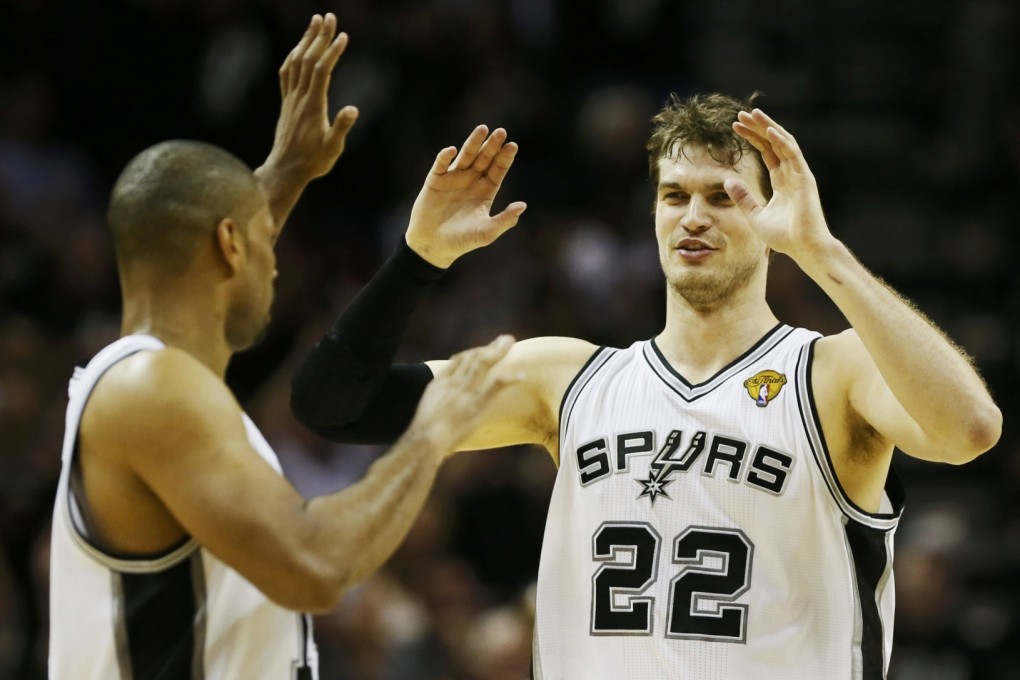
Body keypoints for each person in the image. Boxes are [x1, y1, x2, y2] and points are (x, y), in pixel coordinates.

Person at [290, 92, 1003, 679]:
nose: (692, 215)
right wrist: (416, 260)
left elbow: (968, 428)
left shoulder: (830, 373)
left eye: (723, 198)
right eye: (673, 195)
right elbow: (332, 405)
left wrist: (823, 253)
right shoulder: (563, 379)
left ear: (771, 214)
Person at [48, 14, 517, 680]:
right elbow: (316, 568)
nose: (278, 272)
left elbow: (204, 257)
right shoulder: (148, 392)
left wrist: (288, 169)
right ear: (234, 246)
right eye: (267, 252)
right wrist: (432, 433)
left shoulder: (142, 381)